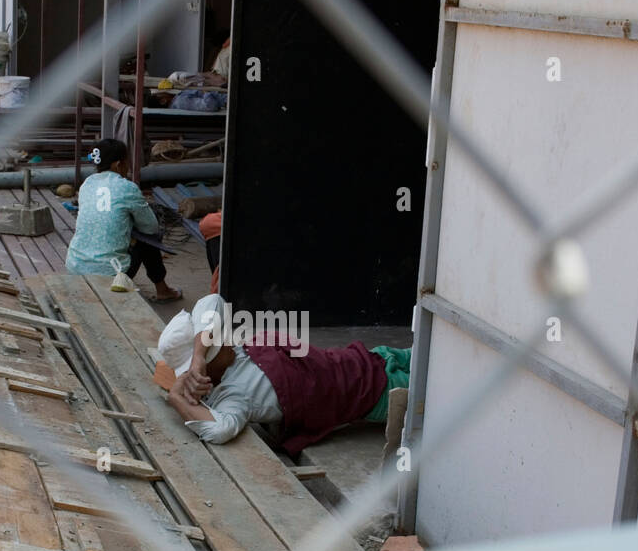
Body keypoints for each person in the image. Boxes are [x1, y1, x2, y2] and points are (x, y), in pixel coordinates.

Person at [160, 294, 411, 456]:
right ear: (210, 365)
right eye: (219, 342)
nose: (227, 339)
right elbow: (221, 430)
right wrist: (177, 398)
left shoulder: (224, 356)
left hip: (369, 357)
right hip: (376, 391)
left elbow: (212, 301)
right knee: (440, 386)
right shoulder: (233, 395)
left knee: (436, 351)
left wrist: (197, 355)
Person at [66, 139, 183, 303]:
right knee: (147, 240)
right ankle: (163, 290)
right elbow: (151, 227)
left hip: (75, 266)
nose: (128, 166)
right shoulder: (127, 187)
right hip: (109, 272)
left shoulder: (87, 184)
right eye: (127, 162)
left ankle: (162, 289)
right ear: (118, 165)